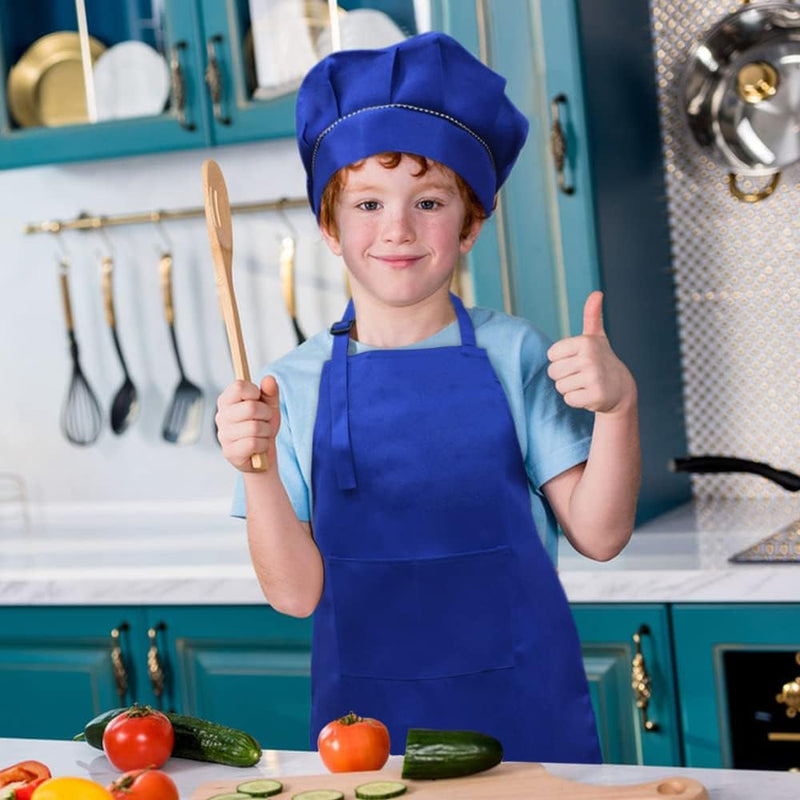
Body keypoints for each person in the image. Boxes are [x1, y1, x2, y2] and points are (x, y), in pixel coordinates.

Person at [217, 31, 640, 763]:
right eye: (369, 203)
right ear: (330, 226)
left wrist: (618, 409)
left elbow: (600, 536)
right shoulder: (290, 384)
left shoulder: (515, 352)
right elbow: (294, 595)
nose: (398, 230)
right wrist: (254, 469)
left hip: (523, 708)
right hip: (366, 729)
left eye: (431, 201)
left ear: (472, 223)